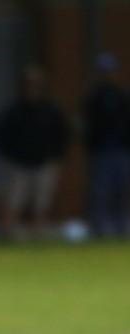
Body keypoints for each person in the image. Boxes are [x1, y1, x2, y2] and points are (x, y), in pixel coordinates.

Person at [0, 67, 71, 239]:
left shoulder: (51, 109)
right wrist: (10, 156)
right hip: (18, 164)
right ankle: (8, 236)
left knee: (41, 203)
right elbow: (1, 135)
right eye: (29, 83)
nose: (32, 87)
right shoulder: (14, 109)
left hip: (44, 163)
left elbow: (63, 134)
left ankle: (39, 236)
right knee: (14, 201)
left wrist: (56, 156)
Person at [83, 53, 130, 238]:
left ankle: (121, 227)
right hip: (101, 151)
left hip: (121, 150)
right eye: (104, 71)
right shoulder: (93, 97)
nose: (108, 74)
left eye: (110, 71)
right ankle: (99, 228)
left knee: (121, 190)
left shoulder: (122, 95)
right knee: (100, 191)